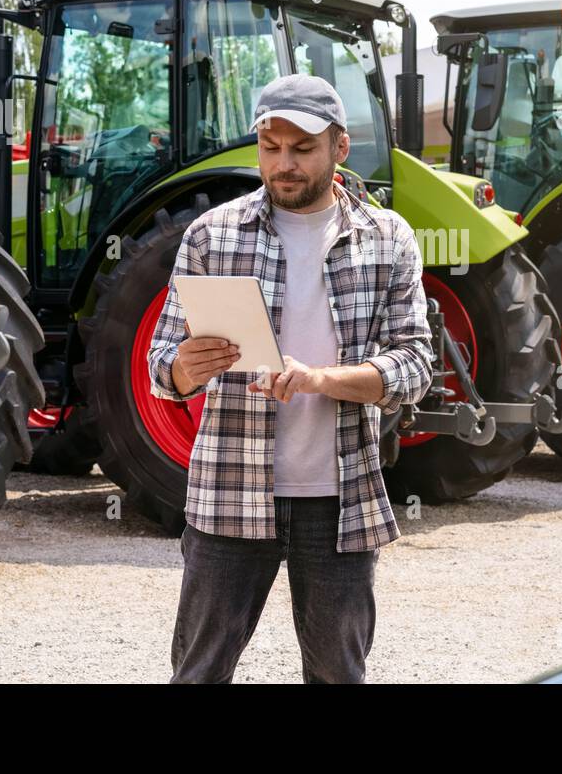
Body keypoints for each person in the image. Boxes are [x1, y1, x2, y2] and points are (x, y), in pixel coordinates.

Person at [148, 73, 434, 683]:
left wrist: (322, 380)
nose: (283, 164)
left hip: (340, 498)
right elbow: (160, 362)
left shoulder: (388, 239)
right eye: (270, 148)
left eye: (302, 149)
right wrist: (181, 369)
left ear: (339, 147)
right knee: (197, 674)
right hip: (229, 490)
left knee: (338, 676)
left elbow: (415, 366)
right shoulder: (212, 234)